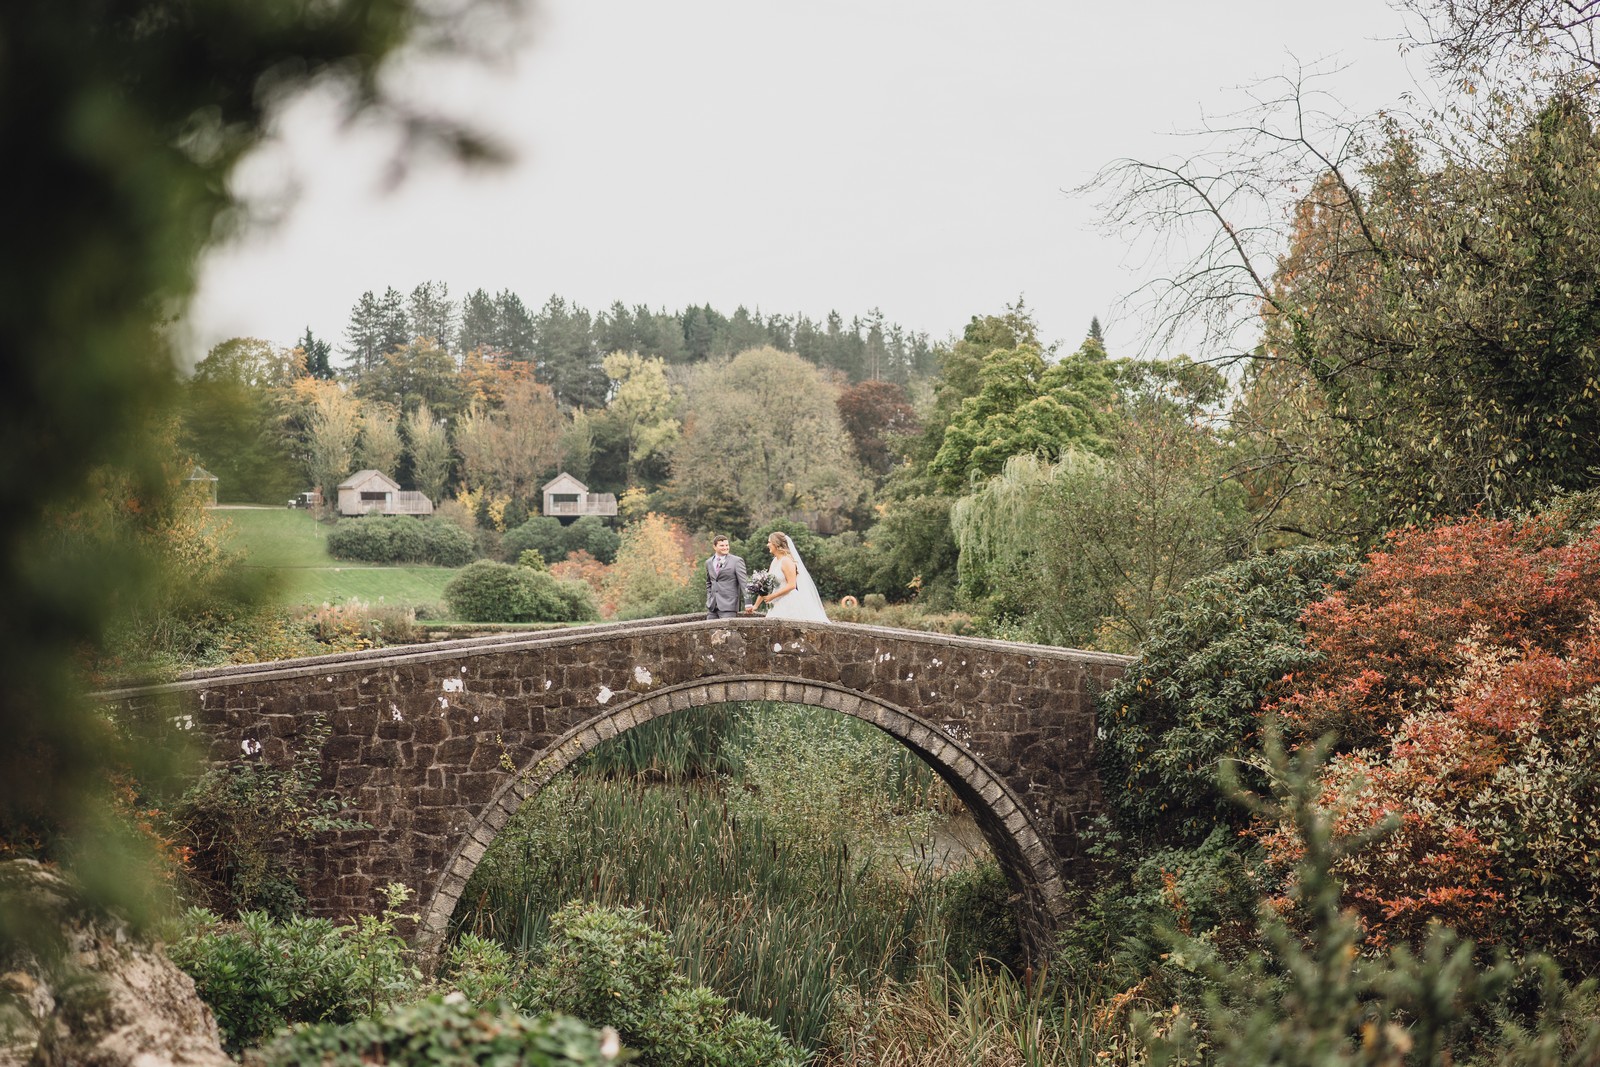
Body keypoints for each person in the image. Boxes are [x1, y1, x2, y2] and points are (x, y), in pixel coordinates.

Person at [751, 531, 829, 622]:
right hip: (776, 602)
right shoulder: (775, 561)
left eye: (769, 542)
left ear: (776, 544)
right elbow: (766, 585)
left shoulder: (787, 561)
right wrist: (755, 606)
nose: (767, 545)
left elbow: (792, 585)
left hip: (788, 601)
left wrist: (772, 596)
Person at [704, 534, 748, 619]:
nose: (725, 547)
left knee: (727, 632)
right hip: (712, 606)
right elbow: (709, 583)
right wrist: (709, 598)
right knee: (711, 632)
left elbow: (744, 583)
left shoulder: (737, 561)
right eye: (722, 545)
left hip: (729, 606)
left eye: (727, 545)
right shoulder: (708, 562)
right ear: (714, 547)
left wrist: (748, 602)